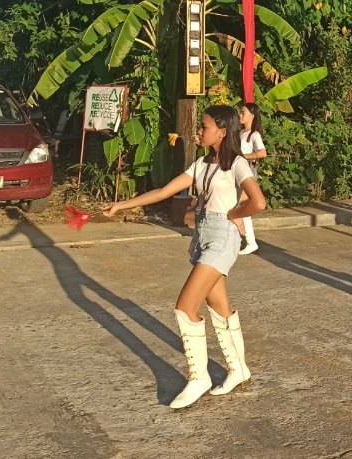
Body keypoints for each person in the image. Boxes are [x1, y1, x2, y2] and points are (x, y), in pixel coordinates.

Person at [104, 106, 265, 408]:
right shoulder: (202, 163)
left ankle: (198, 377)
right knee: (219, 307)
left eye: (204, 126)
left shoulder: (238, 164)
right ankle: (238, 369)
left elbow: (258, 202)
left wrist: (234, 214)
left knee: (184, 307)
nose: (199, 131)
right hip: (202, 235)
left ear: (221, 130)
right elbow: (165, 191)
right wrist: (121, 206)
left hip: (222, 237)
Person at [237, 103, 267, 255]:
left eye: (243, 113)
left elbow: (262, 153)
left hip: (247, 174)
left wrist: (244, 157)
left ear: (252, 116)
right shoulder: (240, 132)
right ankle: (244, 240)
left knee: (242, 206)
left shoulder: (254, 135)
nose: (240, 115)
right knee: (236, 205)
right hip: (236, 173)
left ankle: (250, 242)